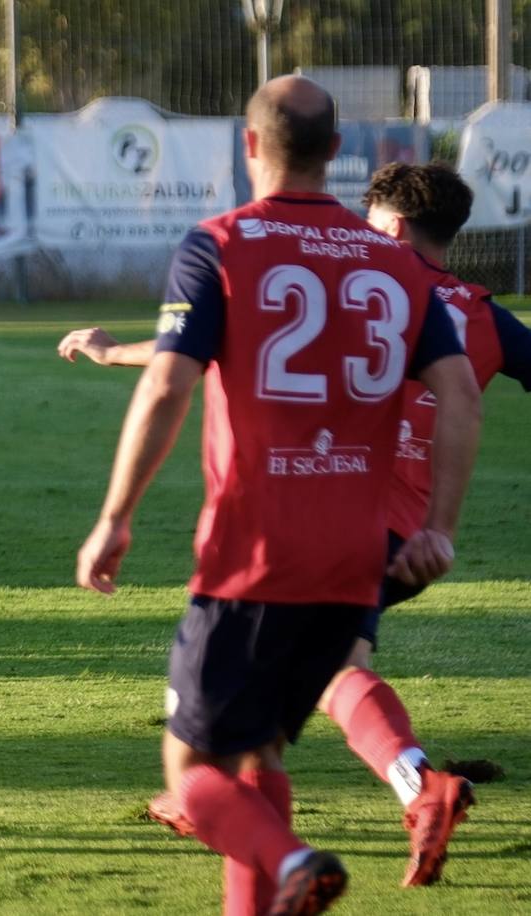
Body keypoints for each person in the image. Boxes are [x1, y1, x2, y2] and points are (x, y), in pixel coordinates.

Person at [75, 76, 482, 915]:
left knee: (192, 775)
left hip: (254, 554)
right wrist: (438, 528)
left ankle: (295, 862)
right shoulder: (395, 263)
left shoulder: (221, 243)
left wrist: (115, 518)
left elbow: (168, 385)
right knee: (259, 756)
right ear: (336, 151)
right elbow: (461, 391)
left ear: (249, 145)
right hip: (354, 559)